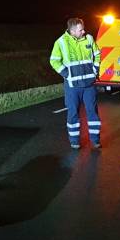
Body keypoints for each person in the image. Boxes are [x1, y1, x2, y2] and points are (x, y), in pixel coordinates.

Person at [50, 17, 102, 149]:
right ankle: (74, 141)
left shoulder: (89, 39)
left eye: (83, 28)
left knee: (93, 113)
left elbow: (97, 54)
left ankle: (95, 140)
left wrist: (95, 69)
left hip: (89, 84)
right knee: (73, 113)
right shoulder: (61, 42)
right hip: (72, 86)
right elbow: (54, 61)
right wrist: (67, 74)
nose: (84, 31)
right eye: (80, 30)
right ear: (72, 31)